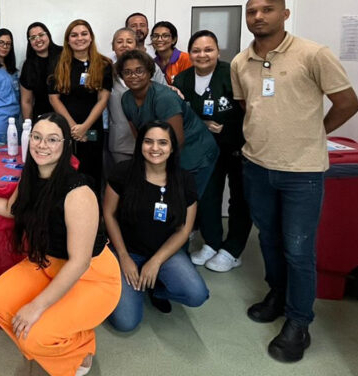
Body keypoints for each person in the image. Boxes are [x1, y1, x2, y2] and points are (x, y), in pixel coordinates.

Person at [230, 0, 358, 363]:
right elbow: (247, 107)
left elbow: (348, 102)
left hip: (302, 172)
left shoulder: (313, 54)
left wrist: (314, 132)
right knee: (268, 239)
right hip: (257, 165)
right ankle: (277, 295)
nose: (258, 17)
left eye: (267, 10)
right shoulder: (241, 62)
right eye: (252, 11)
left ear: (285, 14)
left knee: (299, 249)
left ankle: (299, 322)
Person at [0, 114, 120, 376]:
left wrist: (35, 307)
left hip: (91, 276)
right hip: (47, 263)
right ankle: (72, 342)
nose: (42, 145)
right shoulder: (32, 175)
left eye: (52, 139)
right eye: (37, 137)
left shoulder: (79, 191)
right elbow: (11, 208)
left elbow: (80, 262)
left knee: (34, 336)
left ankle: (78, 348)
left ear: (65, 145)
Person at [105, 121, 209, 331]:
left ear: (172, 148)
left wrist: (156, 261)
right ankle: (127, 283)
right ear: (140, 144)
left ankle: (154, 286)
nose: (155, 148)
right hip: (127, 251)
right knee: (125, 323)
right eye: (148, 142)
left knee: (197, 294)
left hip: (165, 253)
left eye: (163, 143)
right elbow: (108, 213)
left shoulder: (184, 180)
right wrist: (124, 257)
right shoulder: (123, 172)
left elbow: (184, 229)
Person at [173, 31, 250, 273]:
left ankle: (233, 250)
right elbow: (178, 116)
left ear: (217, 51)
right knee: (207, 195)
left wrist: (227, 127)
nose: (202, 55)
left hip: (237, 147)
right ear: (190, 53)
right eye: (196, 50)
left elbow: (252, 110)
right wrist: (202, 123)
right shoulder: (182, 80)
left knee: (240, 198)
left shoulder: (232, 74)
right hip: (204, 152)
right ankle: (212, 242)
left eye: (208, 50)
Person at [118, 50, 219, 201]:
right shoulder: (126, 99)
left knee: (184, 203)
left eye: (139, 71)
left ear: (149, 72)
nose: (133, 76)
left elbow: (177, 140)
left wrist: (159, 169)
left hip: (195, 152)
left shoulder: (164, 98)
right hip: (165, 154)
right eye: (127, 72)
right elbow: (139, 136)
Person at [48, 19, 112, 191]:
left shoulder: (104, 64)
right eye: (74, 35)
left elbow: (103, 99)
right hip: (65, 128)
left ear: (91, 37)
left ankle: (93, 214)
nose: (79, 38)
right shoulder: (58, 63)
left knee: (92, 172)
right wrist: (74, 127)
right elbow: (54, 98)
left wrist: (85, 127)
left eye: (84, 34)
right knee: (66, 173)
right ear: (68, 40)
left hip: (92, 129)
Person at [104, 28, 137, 171]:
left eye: (129, 41)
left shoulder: (150, 67)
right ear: (113, 46)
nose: (124, 45)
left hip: (148, 141)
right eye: (119, 41)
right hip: (119, 141)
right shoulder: (106, 70)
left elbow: (163, 93)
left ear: (136, 44)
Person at [19, 22, 63, 121]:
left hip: (67, 118)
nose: (38, 39)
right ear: (29, 42)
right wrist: (28, 127)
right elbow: (27, 101)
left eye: (41, 35)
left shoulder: (64, 55)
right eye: (33, 38)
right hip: (42, 119)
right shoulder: (28, 65)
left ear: (48, 35)